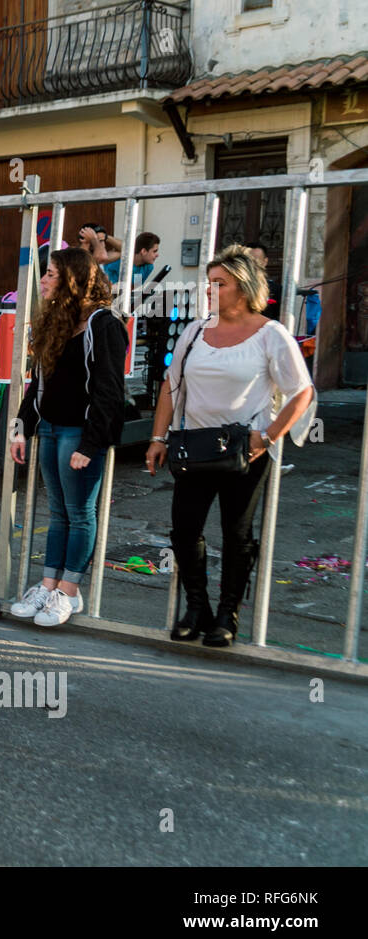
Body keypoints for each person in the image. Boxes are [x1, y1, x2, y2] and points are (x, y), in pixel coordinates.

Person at [147, 245, 315, 647]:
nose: (210, 291)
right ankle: (197, 607)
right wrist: (157, 437)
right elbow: (172, 388)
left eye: (219, 284)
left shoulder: (270, 334)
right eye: (209, 283)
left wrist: (268, 435)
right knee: (185, 529)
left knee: (236, 533)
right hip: (194, 448)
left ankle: (228, 614)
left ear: (243, 287)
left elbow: (302, 391)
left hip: (245, 451)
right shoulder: (194, 331)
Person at [9, 248, 128, 627]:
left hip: (79, 432)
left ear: (73, 279)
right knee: (57, 513)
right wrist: (20, 429)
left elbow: (110, 391)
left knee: (79, 514)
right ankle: (48, 586)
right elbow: (37, 385)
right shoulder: (55, 321)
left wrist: (91, 444)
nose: (43, 280)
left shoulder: (104, 324)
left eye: (51, 274)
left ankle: (69, 592)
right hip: (50, 428)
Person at [246, 243, 281, 319]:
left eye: (257, 259)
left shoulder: (276, 290)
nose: (253, 263)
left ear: (265, 261)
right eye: (249, 260)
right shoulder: (233, 286)